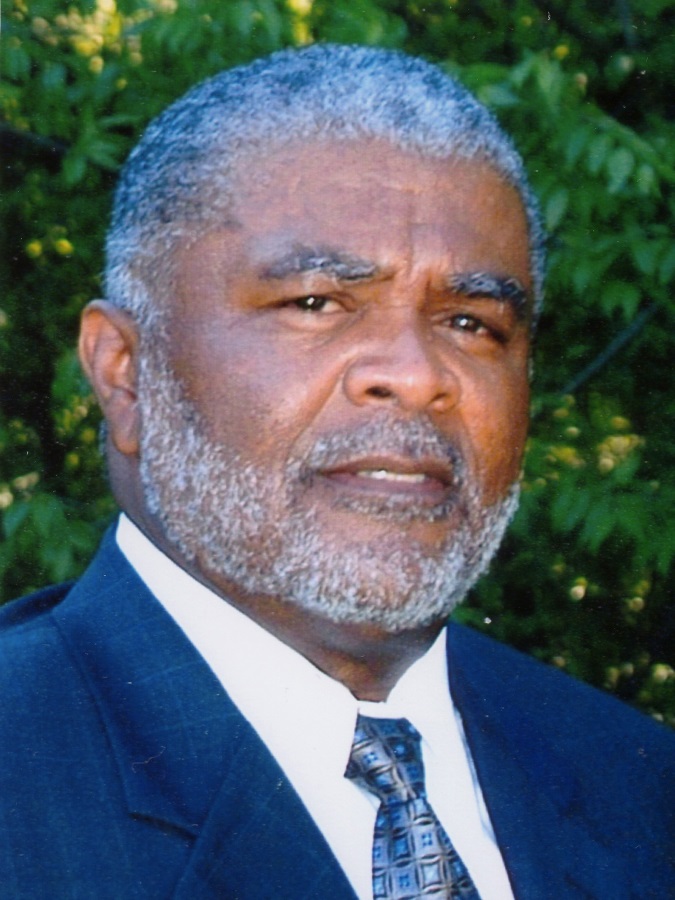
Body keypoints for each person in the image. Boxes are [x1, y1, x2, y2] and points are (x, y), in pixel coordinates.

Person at [0, 44, 673, 900]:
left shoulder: (638, 789)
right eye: (315, 303)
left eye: (470, 323)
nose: (417, 375)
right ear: (126, 374)